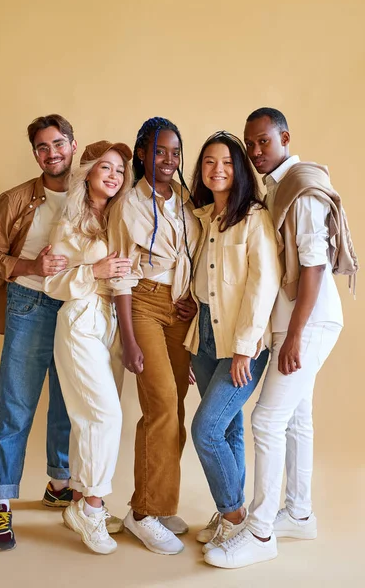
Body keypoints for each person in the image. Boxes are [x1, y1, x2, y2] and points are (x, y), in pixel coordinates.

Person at [204, 107, 358, 569]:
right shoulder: (277, 187)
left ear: (285, 137)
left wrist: (293, 336)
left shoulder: (301, 187)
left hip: (306, 323)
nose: (255, 152)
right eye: (250, 144)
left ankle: (261, 531)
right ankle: (299, 511)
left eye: (263, 142)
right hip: (296, 323)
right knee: (295, 419)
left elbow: (313, 266)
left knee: (266, 422)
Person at [0, 114, 77, 551]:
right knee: (16, 405)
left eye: (58, 144)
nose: (52, 153)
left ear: (73, 143)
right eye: (42, 147)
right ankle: (1, 503)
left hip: (76, 308)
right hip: (28, 305)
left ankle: (59, 483)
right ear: (35, 153)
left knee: (69, 402)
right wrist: (31, 266)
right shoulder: (15, 198)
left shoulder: (94, 191)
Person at [107, 117, 201, 555]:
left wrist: (192, 302)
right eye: (159, 150)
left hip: (179, 308)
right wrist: (127, 337)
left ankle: (158, 503)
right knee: (161, 403)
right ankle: (142, 513)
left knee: (175, 407)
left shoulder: (184, 200)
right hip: (141, 303)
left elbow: (197, 258)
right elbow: (122, 275)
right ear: (142, 152)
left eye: (175, 152)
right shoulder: (127, 203)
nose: (168, 160)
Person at [184, 131, 280, 553]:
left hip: (242, 339)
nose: (217, 169)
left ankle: (236, 518)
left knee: (205, 429)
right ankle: (231, 509)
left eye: (225, 162)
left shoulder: (254, 217)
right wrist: (192, 337)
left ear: (238, 169)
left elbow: (263, 285)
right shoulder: (203, 218)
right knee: (228, 426)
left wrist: (245, 347)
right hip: (205, 333)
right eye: (208, 162)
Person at [44, 140, 133, 554]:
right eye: (106, 168)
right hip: (79, 319)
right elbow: (53, 284)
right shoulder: (70, 220)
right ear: (89, 173)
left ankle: (79, 501)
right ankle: (93, 508)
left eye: (119, 170)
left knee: (87, 418)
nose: (113, 176)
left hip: (106, 324)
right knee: (104, 414)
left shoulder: (116, 218)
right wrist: (93, 269)